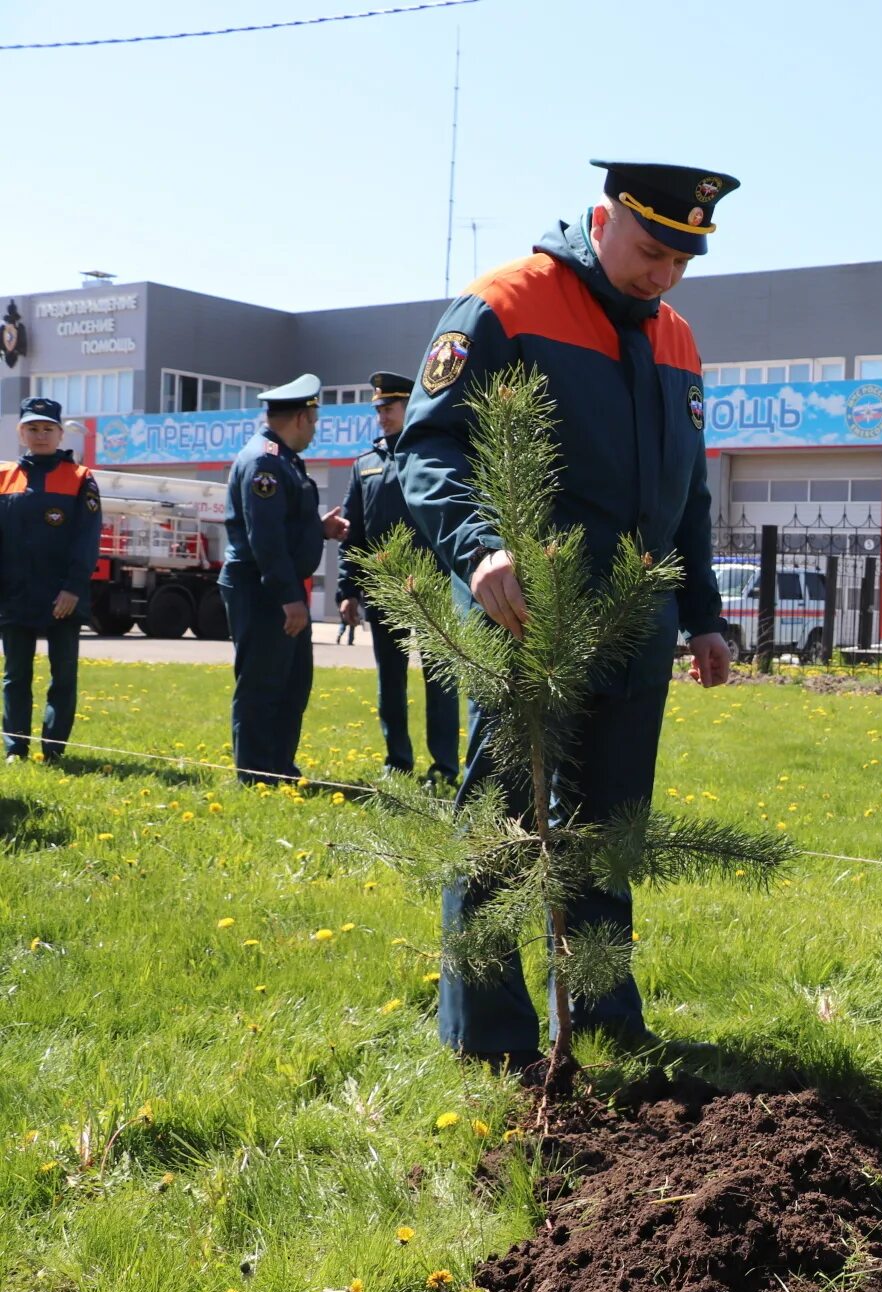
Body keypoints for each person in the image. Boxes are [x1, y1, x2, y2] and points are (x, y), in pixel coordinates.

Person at [396, 158, 738, 1072]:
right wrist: (477, 546)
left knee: (607, 830)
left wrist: (703, 613)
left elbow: (687, 493)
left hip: (636, 627)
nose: (663, 274)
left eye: (683, 259)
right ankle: (492, 1037)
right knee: (503, 830)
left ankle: (603, 1023)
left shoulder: (678, 340)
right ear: (602, 216)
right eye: (651, 249)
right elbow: (425, 450)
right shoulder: (505, 305)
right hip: (522, 618)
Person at [218, 374, 348, 784]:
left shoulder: (282, 458)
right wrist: (289, 599)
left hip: (279, 587)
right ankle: (256, 775)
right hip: (263, 590)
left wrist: (316, 528)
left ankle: (278, 767)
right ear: (301, 416)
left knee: (292, 683)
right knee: (262, 683)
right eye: (314, 420)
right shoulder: (265, 462)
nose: (314, 429)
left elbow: (284, 524)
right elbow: (265, 538)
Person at [338, 371, 461, 785]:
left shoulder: (432, 457)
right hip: (384, 588)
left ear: (411, 406)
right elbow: (352, 533)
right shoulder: (365, 465)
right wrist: (347, 588)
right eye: (378, 409)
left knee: (440, 682)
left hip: (433, 587)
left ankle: (444, 768)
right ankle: (397, 762)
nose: (382, 416)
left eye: (389, 408)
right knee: (389, 681)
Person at [0, 398, 100, 763]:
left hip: (63, 596)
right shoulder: (4, 477)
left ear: (60, 433)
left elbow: (87, 539)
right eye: (32, 428)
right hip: (15, 595)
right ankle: (16, 749)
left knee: (63, 677)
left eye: (47, 428)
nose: (40, 435)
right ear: (20, 431)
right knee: (15, 677)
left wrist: (73, 587)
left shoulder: (80, 478)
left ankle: (54, 750)